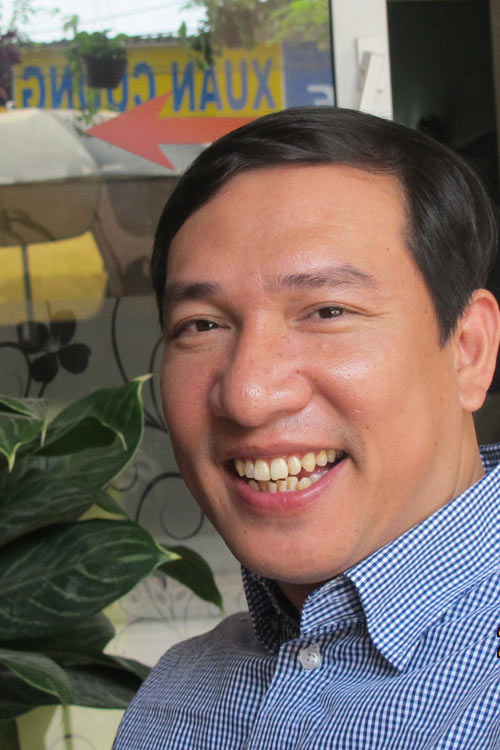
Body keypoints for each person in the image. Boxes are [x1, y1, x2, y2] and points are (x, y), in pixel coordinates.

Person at [113, 107, 500, 749]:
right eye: (202, 325)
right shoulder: (175, 700)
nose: (247, 395)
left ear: (468, 351)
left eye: (327, 311)